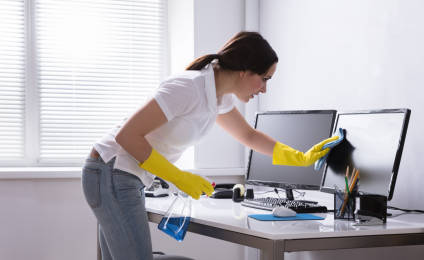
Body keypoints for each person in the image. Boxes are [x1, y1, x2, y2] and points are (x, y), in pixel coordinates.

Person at [81, 31, 338, 260]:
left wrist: (299, 157)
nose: (264, 89)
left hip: (120, 176)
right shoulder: (188, 88)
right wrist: (178, 177)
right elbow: (127, 137)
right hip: (111, 171)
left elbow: (249, 136)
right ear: (244, 71)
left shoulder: (217, 97)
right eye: (265, 78)